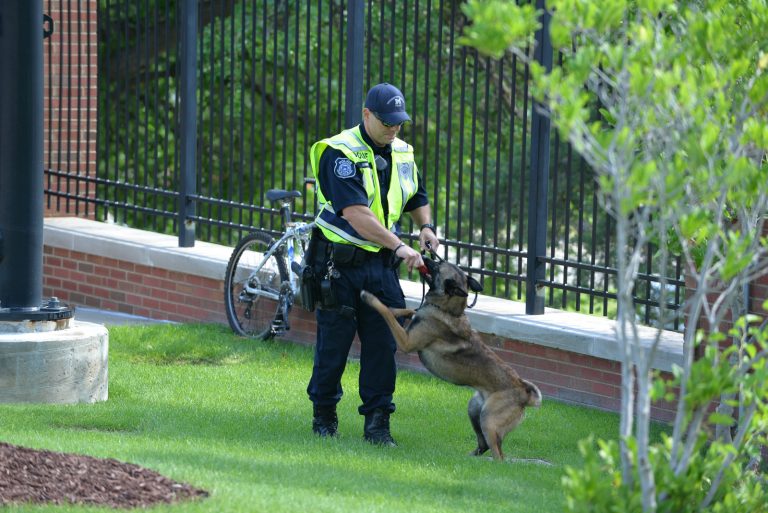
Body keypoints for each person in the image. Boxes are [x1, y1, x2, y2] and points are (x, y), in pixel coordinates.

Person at [306, 82, 440, 446]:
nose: (393, 128)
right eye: (386, 122)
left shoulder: (402, 152)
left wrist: (425, 226)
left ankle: (378, 425)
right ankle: (324, 416)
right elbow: (356, 215)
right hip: (341, 267)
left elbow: (417, 194)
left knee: (383, 345)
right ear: (366, 115)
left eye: (398, 122)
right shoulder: (340, 153)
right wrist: (399, 246)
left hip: (381, 268)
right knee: (334, 347)